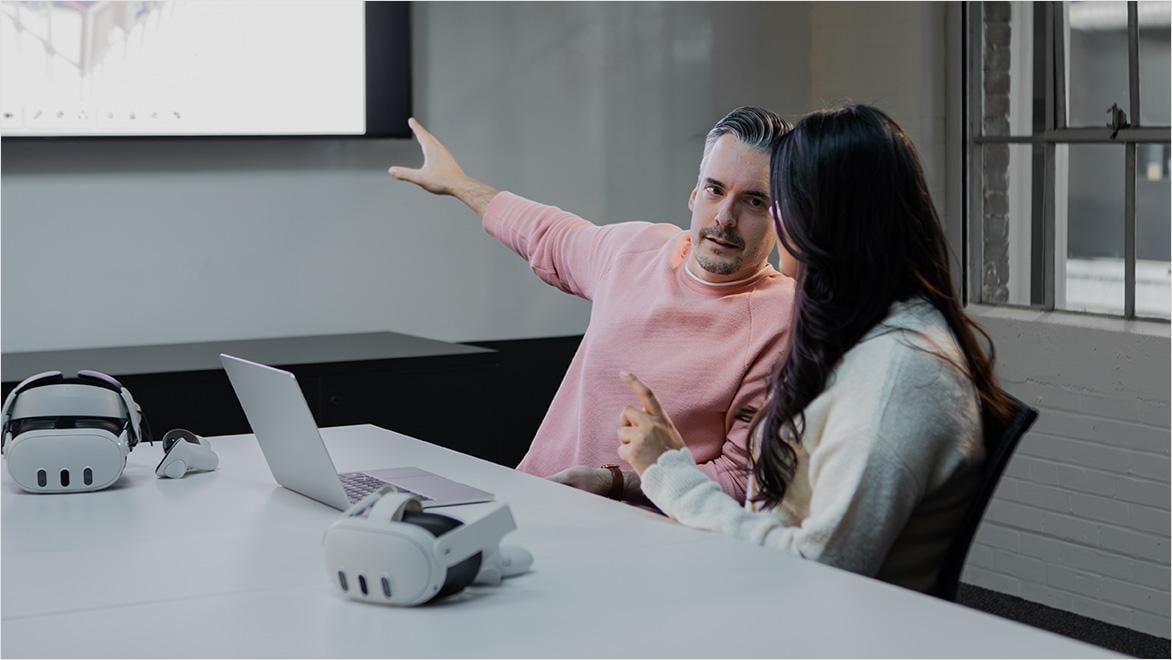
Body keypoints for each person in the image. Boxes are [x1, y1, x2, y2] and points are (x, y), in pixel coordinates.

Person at [615, 104, 1013, 592]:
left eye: (773, 202)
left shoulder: (899, 374)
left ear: (823, 220)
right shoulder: (866, 332)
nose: (764, 221)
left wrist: (669, 471)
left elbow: (816, 568)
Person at [389, 107, 794, 501]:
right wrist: (457, 183)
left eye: (754, 201)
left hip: (644, 539)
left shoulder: (780, 317)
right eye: (715, 189)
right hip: (532, 499)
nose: (725, 216)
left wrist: (614, 482)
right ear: (694, 194)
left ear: (784, 216)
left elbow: (741, 481)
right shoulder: (637, 249)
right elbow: (543, 231)